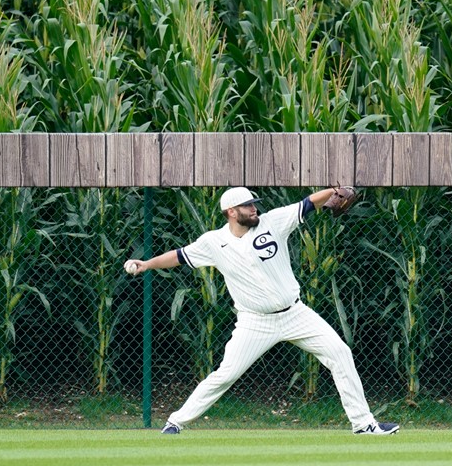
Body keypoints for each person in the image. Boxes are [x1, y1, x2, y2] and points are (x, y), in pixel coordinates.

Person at [124, 186, 399, 436]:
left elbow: (307, 204)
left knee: (340, 353)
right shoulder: (213, 242)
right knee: (226, 374)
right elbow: (180, 256)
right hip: (254, 323)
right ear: (231, 212)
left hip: (295, 314)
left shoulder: (273, 222)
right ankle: (175, 422)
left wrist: (334, 191)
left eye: (254, 203)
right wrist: (147, 264)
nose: (254, 208)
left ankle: (363, 424)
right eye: (248, 205)